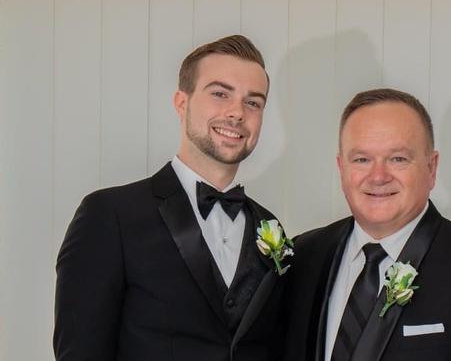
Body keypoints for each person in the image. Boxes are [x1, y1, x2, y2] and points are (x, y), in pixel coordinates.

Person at [54, 35, 288, 361]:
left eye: (253, 102)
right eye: (220, 94)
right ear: (182, 103)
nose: (237, 113)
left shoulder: (271, 227)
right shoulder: (109, 215)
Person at [284, 88, 451, 360]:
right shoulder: (304, 255)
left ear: (431, 168)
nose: (378, 176)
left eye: (398, 159)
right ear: (341, 168)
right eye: (362, 159)